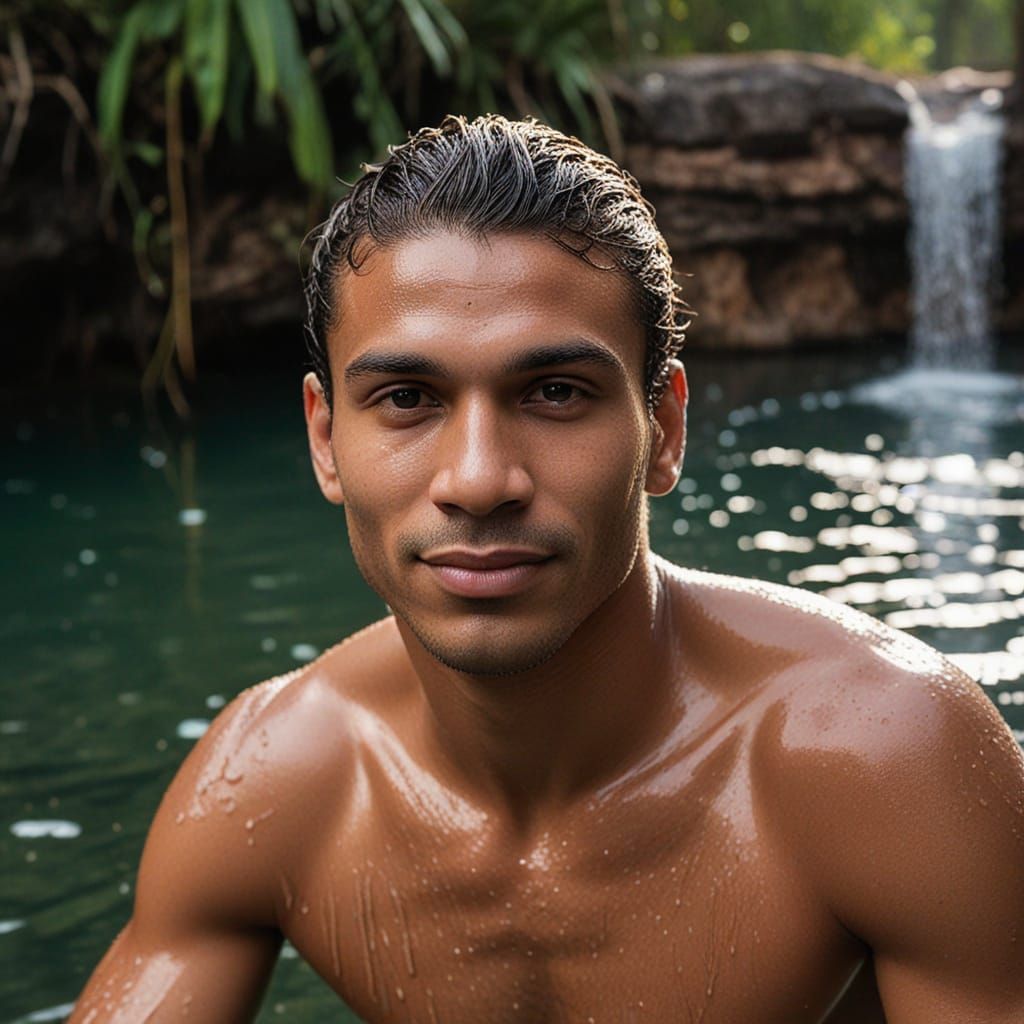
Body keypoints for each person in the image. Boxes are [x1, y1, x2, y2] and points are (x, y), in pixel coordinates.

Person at [72, 114, 1024, 1024]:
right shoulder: (274, 781)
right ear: (325, 439)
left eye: (556, 393)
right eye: (406, 398)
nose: (479, 480)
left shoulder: (885, 759)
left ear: (664, 429)